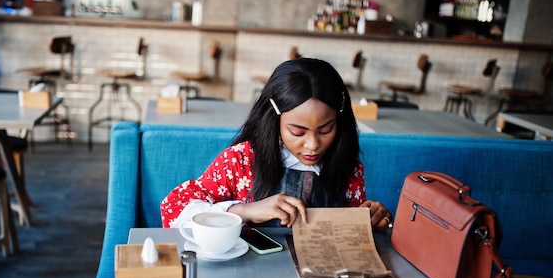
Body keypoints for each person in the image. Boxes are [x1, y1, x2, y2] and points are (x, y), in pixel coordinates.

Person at [161, 57, 391, 230]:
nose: (312, 145)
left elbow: (350, 236)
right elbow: (173, 210)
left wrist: (371, 221)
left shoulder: (348, 169)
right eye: (297, 132)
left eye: (325, 130)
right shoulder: (240, 161)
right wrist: (244, 211)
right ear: (275, 120)